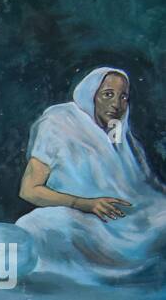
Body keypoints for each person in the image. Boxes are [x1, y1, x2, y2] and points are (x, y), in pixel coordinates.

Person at [16, 67, 166, 284]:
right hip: (82, 219)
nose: (116, 104)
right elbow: (29, 190)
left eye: (123, 97)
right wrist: (87, 204)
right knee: (35, 225)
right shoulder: (58, 122)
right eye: (108, 94)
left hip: (131, 218)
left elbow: (144, 185)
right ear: (91, 94)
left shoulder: (120, 132)